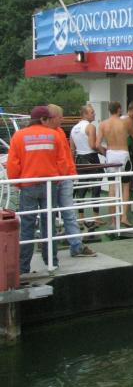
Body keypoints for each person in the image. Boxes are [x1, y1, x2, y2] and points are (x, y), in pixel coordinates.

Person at [8, 106, 74, 273]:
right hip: (50, 185)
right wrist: (57, 179)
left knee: (27, 226)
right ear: (44, 119)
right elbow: (63, 162)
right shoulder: (54, 135)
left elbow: (13, 165)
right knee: (49, 224)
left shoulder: (18, 136)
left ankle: (24, 267)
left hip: (28, 185)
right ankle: (51, 261)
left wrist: (19, 183)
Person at [45, 105, 97, 258]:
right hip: (52, 179)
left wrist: (71, 172)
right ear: (52, 118)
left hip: (65, 177)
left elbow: (69, 152)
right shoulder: (45, 134)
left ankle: (76, 246)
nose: (62, 119)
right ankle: (48, 247)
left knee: (68, 212)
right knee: (49, 213)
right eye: (60, 117)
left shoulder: (62, 131)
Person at [96, 101, 133, 227]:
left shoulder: (103, 124)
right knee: (125, 187)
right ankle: (124, 217)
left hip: (110, 155)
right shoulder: (126, 122)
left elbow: (97, 145)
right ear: (119, 109)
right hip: (123, 155)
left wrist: (106, 153)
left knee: (112, 188)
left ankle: (113, 220)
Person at [70, 104, 102, 229]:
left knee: (81, 188)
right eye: (92, 112)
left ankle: (81, 217)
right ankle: (96, 217)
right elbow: (93, 145)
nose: (94, 114)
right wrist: (104, 151)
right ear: (84, 114)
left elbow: (72, 148)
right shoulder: (90, 127)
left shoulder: (74, 129)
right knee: (96, 188)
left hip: (79, 159)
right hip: (91, 159)